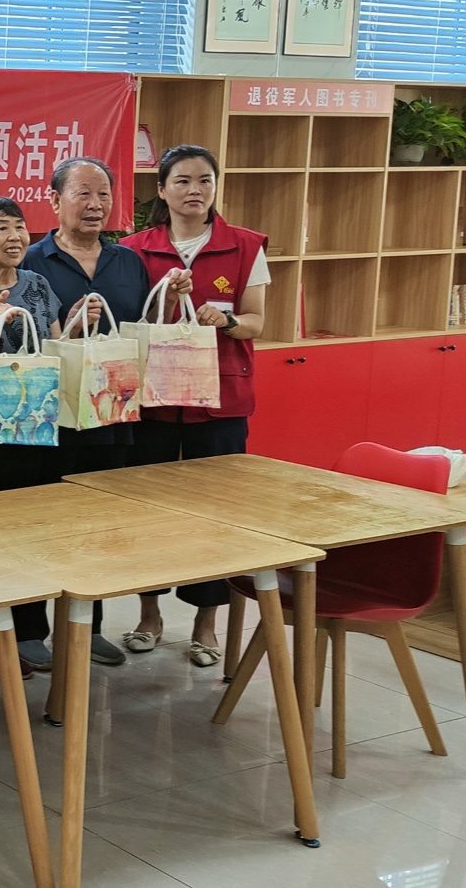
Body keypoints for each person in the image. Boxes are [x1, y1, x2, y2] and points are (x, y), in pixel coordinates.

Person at [21, 158, 189, 669]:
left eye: (103, 195)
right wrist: (68, 328)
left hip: (112, 414)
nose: (95, 205)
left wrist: (167, 300)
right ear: (54, 201)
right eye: (83, 194)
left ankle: (86, 627)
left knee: (96, 525)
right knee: (39, 523)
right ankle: (29, 629)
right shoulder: (32, 260)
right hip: (50, 419)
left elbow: (140, 328)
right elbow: (21, 342)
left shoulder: (127, 261)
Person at [119, 145, 270, 667]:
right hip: (154, 401)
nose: (194, 190)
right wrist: (165, 300)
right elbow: (129, 320)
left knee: (217, 514)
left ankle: (206, 625)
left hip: (221, 402)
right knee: (148, 508)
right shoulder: (134, 249)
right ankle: (149, 615)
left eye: (205, 180)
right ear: (161, 190)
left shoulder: (245, 245)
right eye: (182, 181)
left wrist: (226, 321)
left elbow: (256, 320)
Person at [0, 196, 65, 674]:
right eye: (2, 227)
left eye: (20, 227)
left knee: (34, 529)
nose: (16, 237)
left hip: (39, 426)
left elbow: (55, 345)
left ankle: (26, 630)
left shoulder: (37, 284)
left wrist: (75, 327)